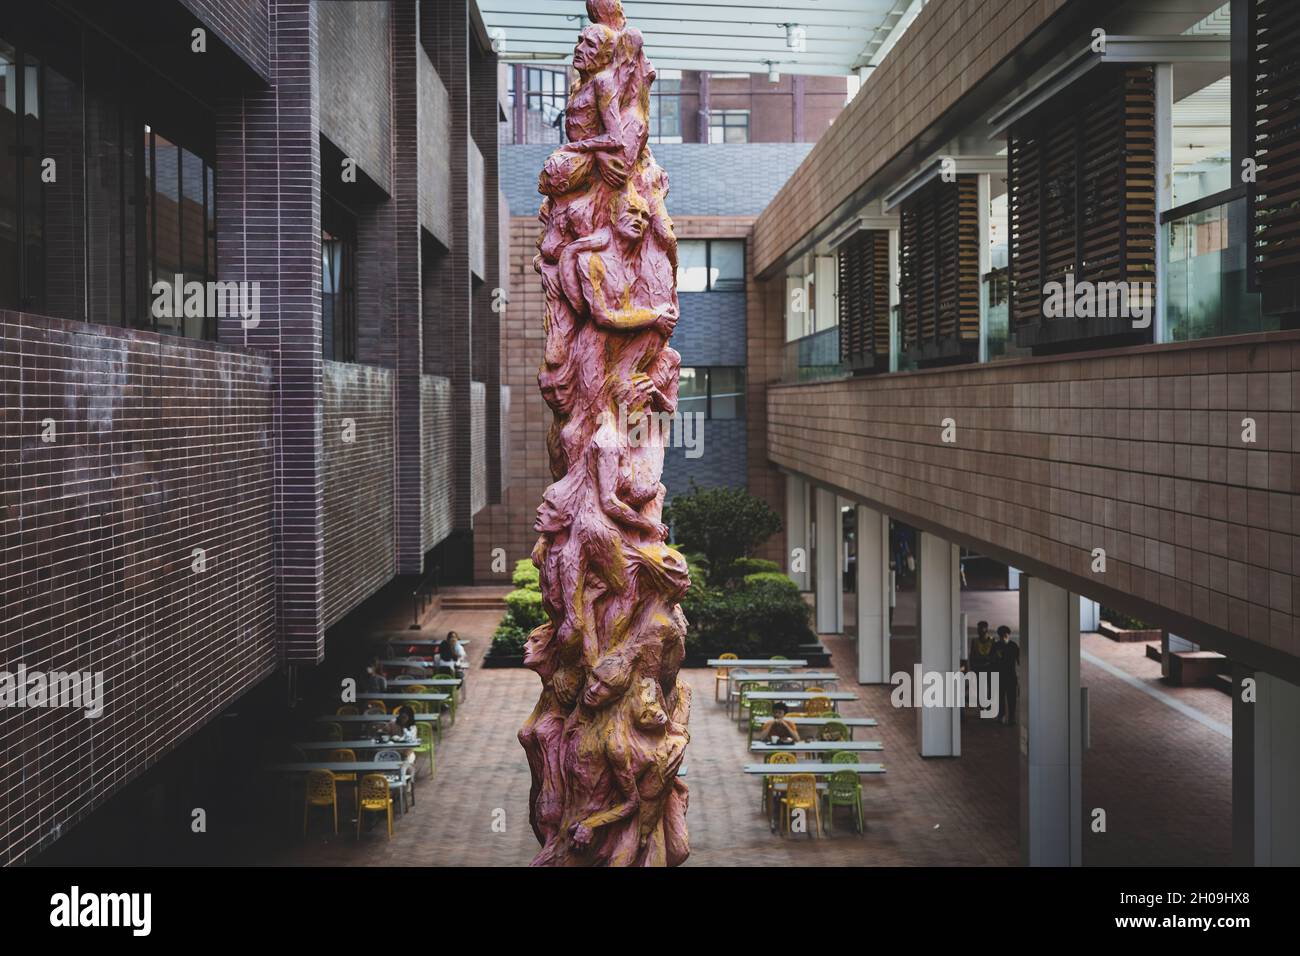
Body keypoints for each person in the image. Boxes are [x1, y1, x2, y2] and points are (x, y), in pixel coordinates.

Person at [992, 625, 1019, 725]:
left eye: (1005, 636)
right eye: (1001, 636)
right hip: (1000, 677)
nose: (1003, 638)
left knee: (1012, 699)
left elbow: (1020, 661)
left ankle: (1011, 718)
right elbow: (992, 661)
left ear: (1009, 635)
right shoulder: (996, 646)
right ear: (999, 636)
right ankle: (1002, 716)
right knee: (1000, 698)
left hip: (1011, 676)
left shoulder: (1014, 646)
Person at [968, 621, 995, 708]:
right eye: (978, 628)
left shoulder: (992, 640)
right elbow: (972, 655)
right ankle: (983, 708)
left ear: (986, 629)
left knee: (991, 689)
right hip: (978, 668)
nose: (978, 630)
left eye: (981, 628)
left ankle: (989, 706)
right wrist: (972, 668)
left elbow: (994, 655)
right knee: (981, 689)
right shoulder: (974, 641)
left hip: (990, 668)